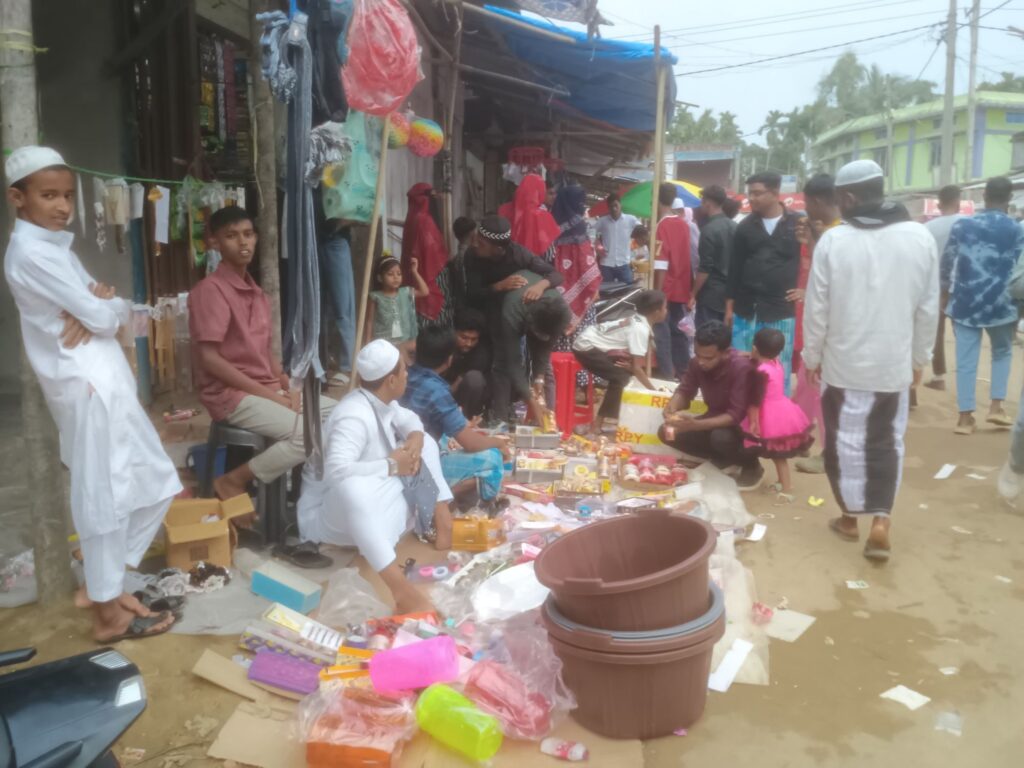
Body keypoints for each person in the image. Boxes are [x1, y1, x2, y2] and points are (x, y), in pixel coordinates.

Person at [4, 146, 182, 641]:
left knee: (155, 482)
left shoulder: (56, 250)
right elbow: (106, 316)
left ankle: (105, 584)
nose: (62, 206)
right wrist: (99, 310)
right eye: (48, 196)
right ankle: (106, 612)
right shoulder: (32, 255)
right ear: (18, 198)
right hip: (87, 386)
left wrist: (101, 309)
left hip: (105, 380)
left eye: (67, 196)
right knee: (105, 495)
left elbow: (114, 310)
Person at [803, 159, 939, 562]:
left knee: (842, 442)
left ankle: (849, 518)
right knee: (886, 442)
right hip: (892, 364)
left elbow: (817, 308)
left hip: (843, 364)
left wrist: (812, 355)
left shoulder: (833, 241)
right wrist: (919, 359)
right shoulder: (920, 237)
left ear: (847, 197)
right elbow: (928, 308)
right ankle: (881, 519)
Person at [190, 206, 339, 503]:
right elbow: (210, 360)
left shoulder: (258, 294)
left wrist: (287, 384)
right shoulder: (211, 291)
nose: (243, 242)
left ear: (256, 238)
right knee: (306, 435)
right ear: (215, 242)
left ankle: (301, 496)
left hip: (264, 389)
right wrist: (274, 397)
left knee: (341, 415)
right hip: (229, 395)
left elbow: (263, 352)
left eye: (248, 234)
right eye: (231, 236)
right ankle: (232, 481)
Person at [297, 340, 453, 614]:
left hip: (368, 506)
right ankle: (401, 590)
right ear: (391, 380)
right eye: (403, 370)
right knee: (354, 489)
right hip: (330, 515)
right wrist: (392, 466)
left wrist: (415, 438)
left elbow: (410, 420)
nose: (407, 374)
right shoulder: (353, 416)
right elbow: (337, 472)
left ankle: (442, 521)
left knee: (425, 443)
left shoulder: (380, 401)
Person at [941, 176, 1023, 435]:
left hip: (965, 302)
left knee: (966, 360)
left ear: (984, 196)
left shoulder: (963, 225)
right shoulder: (1016, 229)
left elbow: (947, 262)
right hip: (1001, 303)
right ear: (1009, 199)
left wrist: (945, 294)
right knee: (1002, 352)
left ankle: (965, 419)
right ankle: (996, 407)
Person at [401, 327, 512, 504]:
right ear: (449, 359)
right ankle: (439, 500)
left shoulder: (404, 375)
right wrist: (498, 443)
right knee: (493, 458)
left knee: (449, 440)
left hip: (402, 450)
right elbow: (471, 444)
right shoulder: (436, 390)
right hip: (420, 459)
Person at [658, 320, 762, 490]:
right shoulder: (696, 363)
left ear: (726, 353)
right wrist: (672, 407)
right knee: (666, 432)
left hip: (743, 430)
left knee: (720, 438)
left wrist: (695, 425)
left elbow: (735, 415)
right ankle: (724, 458)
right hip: (713, 421)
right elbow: (685, 390)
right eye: (698, 355)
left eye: (708, 358)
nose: (701, 362)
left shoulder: (741, 368)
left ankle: (752, 465)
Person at [725, 171, 802, 395]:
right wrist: (729, 308)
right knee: (742, 367)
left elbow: (812, 259)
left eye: (758, 193)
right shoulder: (744, 227)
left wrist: (806, 290)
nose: (752, 198)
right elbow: (734, 269)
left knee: (778, 368)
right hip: (746, 310)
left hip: (781, 310)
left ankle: (775, 411)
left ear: (775, 193)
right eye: (750, 193)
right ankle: (740, 412)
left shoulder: (797, 225)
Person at [792, 175, 841, 476]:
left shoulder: (838, 236)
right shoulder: (832, 234)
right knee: (806, 386)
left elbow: (828, 288)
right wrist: (809, 240)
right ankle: (800, 436)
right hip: (822, 326)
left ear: (818, 201)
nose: (806, 208)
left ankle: (828, 452)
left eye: (807, 202)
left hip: (830, 330)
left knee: (821, 390)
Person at [573, 289, 666, 434]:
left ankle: (607, 420)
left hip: (594, 341)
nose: (666, 311)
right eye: (665, 308)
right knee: (621, 378)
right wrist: (653, 391)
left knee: (624, 374)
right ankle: (597, 425)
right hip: (586, 347)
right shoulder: (640, 329)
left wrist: (634, 370)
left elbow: (636, 365)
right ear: (656, 312)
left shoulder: (639, 320)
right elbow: (637, 368)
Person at [741, 328, 813, 502]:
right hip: (783, 410)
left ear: (755, 348)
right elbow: (759, 358)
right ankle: (781, 482)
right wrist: (748, 355)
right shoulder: (776, 362)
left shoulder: (759, 372)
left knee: (778, 455)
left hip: (770, 417)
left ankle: (787, 488)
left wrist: (754, 422)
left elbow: (755, 401)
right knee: (776, 453)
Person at [491, 272, 572, 425]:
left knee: (544, 370)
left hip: (538, 321)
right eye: (539, 334)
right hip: (505, 315)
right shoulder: (513, 309)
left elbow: (545, 349)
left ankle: (548, 422)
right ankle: (501, 422)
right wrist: (531, 401)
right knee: (503, 365)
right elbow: (514, 362)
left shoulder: (562, 314)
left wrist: (539, 378)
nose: (542, 339)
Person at [463, 215, 564, 317]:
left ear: (498, 249)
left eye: (481, 243)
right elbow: (472, 296)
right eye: (475, 239)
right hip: (485, 308)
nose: (474, 244)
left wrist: (539, 287)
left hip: (513, 308)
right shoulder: (472, 254)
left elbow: (556, 275)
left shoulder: (519, 255)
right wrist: (498, 286)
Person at [924, 185, 965, 392]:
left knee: (936, 332)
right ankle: (966, 377)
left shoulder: (927, 228)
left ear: (939, 204)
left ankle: (938, 376)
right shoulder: (968, 224)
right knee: (964, 333)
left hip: (935, 286)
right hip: (962, 286)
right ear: (958, 203)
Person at [652, 182, 694, 380]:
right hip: (681, 287)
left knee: (662, 332)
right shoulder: (683, 224)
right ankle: (683, 372)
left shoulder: (662, 225)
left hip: (667, 288)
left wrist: (657, 293)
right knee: (678, 331)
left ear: (657, 200)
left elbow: (661, 262)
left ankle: (667, 374)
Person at [551, 185, 602, 329]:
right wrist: (593, 283)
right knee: (582, 335)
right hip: (580, 285)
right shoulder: (578, 224)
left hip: (557, 283)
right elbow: (585, 259)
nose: (582, 205)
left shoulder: (551, 221)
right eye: (580, 202)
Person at [401, 183, 448, 324]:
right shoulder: (424, 220)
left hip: (414, 274)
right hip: (431, 273)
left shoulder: (411, 219)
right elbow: (432, 250)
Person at [366, 256, 430, 360]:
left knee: (403, 365)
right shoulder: (375, 296)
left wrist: (414, 271)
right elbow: (370, 321)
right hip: (383, 343)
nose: (395, 277)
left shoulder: (405, 292)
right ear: (380, 278)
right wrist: (368, 344)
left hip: (404, 341)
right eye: (390, 274)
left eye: (399, 274)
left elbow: (425, 291)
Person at [693, 185, 736, 328]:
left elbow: (705, 268)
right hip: (731, 294)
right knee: (725, 337)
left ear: (708, 203)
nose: (701, 206)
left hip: (711, 295)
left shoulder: (708, 230)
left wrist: (693, 294)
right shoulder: (735, 227)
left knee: (706, 336)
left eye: (702, 201)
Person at [443, 309, 491, 420]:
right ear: (454, 332)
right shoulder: (444, 345)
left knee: (475, 379)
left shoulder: (481, 354)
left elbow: (459, 383)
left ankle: (465, 421)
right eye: (464, 338)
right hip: (440, 395)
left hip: (463, 399)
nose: (468, 344)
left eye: (473, 339)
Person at [499, 174, 561, 258]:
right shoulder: (543, 216)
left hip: (507, 259)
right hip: (533, 263)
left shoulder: (504, 209)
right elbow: (549, 254)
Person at [594, 192, 640, 285]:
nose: (614, 208)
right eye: (611, 206)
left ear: (620, 204)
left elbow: (642, 231)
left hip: (624, 263)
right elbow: (590, 233)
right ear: (608, 207)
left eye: (616, 205)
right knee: (606, 291)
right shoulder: (602, 221)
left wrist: (637, 242)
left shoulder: (630, 220)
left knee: (627, 290)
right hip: (606, 264)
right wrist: (597, 244)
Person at [445, 216, 477, 317]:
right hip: (468, 307)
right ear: (472, 233)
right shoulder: (467, 256)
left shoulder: (456, 257)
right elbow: (465, 286)